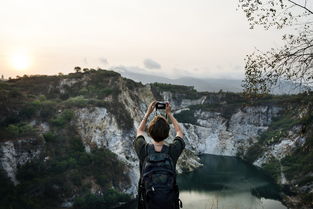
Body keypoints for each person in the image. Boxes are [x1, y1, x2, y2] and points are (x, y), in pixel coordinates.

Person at [133, 101, 185, 209]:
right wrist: (169, 114)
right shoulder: (172, 151)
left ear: (150, 132)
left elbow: (139, 130)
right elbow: (179, 132)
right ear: (167, 134)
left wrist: (148, 113)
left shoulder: (143, 150)